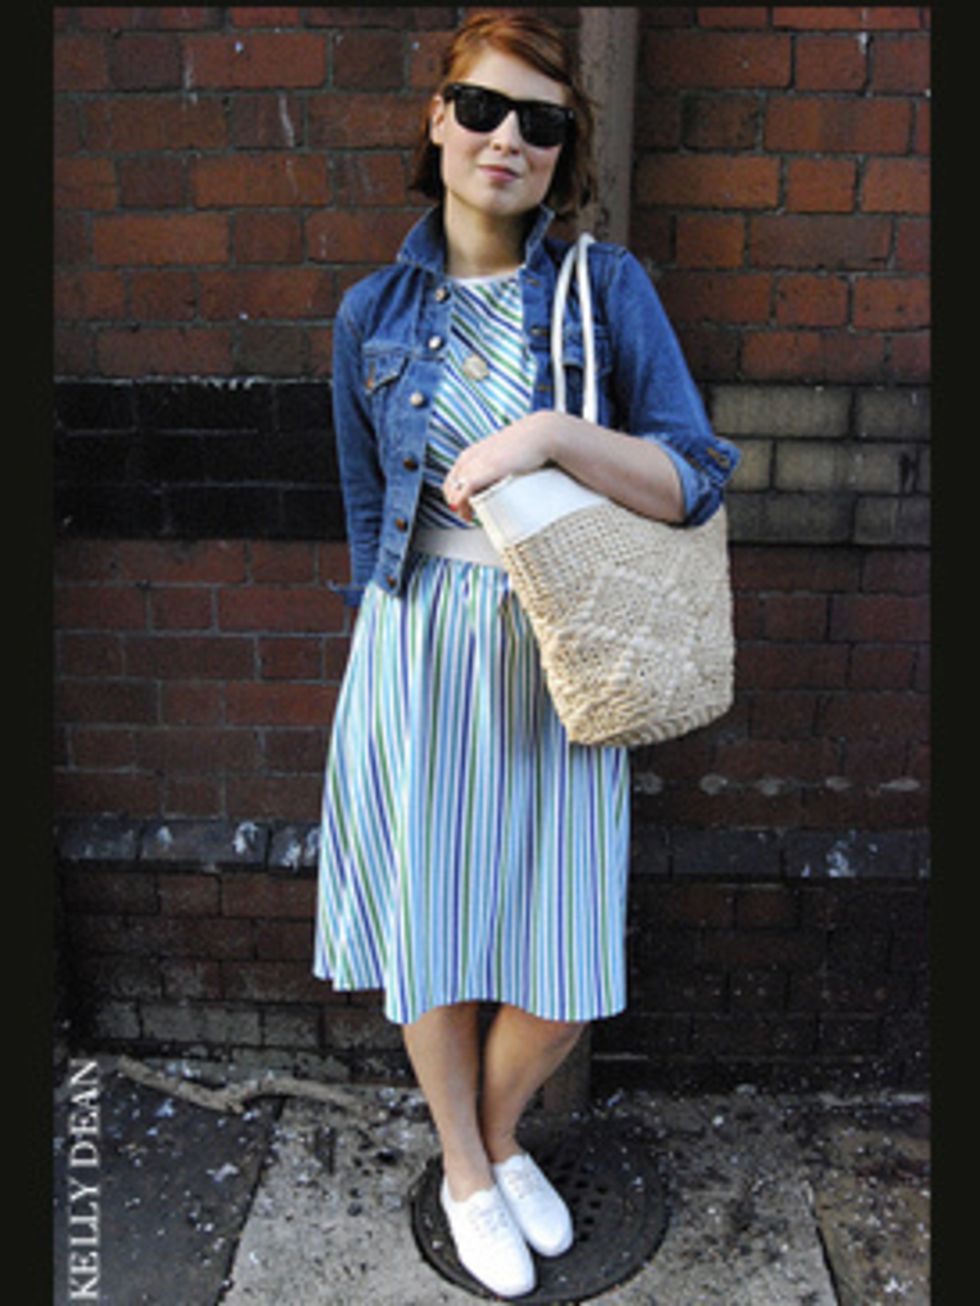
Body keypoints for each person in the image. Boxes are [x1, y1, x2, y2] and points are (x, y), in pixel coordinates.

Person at [313, 11, 740, 1298]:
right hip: (418, 656)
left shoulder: (600, 290)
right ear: (436, 120)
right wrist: (386, 676)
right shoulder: (369, 313)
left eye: (540, 123)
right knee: (434, 936)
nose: (507, 139)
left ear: (565, 152)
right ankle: (464, 1166)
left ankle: (495, 1142)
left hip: (566, 660)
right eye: (483, 110)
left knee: (558, 964)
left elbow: (691, 478)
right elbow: (361, 511)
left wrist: (551, 433)